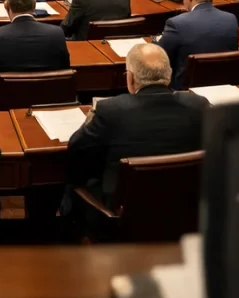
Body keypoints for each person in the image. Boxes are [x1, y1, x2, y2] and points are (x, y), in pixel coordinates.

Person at [67, 42, 207, 206]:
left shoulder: (110, 110)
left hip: (125, 210)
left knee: (72, 185)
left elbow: (76, 149)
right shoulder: (197, 104)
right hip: (185, 206)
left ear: (130, 78)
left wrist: (90, 119)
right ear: (169, 74)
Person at [155, 0, 238, 89]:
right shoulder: (231, 19)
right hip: (221, 87)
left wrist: (155, 41)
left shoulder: (177, 24)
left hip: (184, 92)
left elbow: (160, 56)